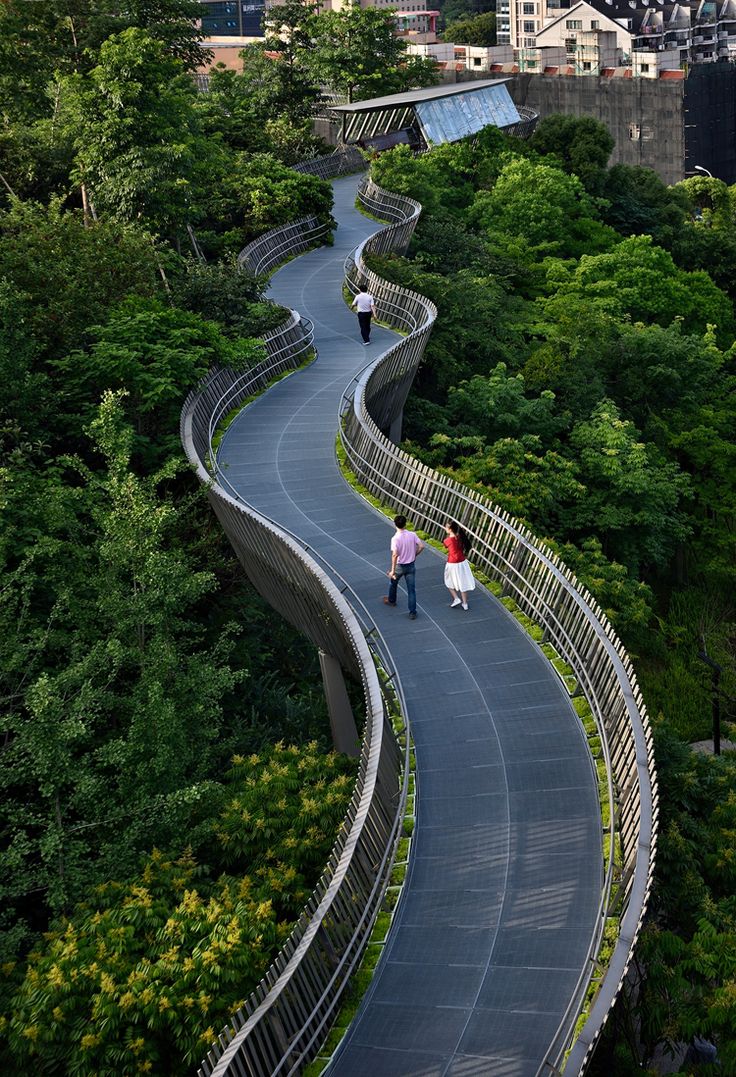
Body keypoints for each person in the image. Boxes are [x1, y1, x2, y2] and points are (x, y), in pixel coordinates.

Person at [384, 515, 425, 619]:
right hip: (411, 565)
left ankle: (392, 600)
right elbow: (421, 546)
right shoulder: (412, 534)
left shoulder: (395, 538)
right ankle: (412, 612)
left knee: (393, 582)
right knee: (411, 590)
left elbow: (395, 555)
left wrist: (392, 571)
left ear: (395, 524)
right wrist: (414, 554)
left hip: (400, 566)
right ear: (405, 523)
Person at [443, 520, 475, 610]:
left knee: (448, 581)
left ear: (450, 529)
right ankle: (465, 603)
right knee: (463, 582)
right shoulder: (461, 537)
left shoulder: (447, 540)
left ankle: (456, 598)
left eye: (446, 527)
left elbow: (445, 545)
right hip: (462, 562)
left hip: (452, 563)